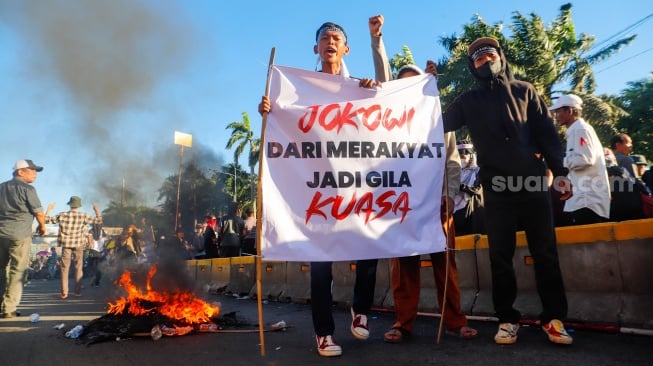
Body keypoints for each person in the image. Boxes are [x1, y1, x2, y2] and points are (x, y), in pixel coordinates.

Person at [442, 36, 574, 345]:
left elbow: (548, 135)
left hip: (533, 184)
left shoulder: (525, 91)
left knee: (545, 252)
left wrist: (562, 173)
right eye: (477, 58)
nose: (484, 60)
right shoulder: (467, 102)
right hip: (497, 189)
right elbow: (436, 121)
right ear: (472, 68)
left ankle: (554, 319)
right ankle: (506, 319)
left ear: (500, 57)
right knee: (500, 256)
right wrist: (423, 90)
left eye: (489, 54)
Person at [258, 20, 378, 357]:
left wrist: (374, 93)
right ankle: (324, 333)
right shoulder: (296, 92)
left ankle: (362, 309)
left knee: (370, 244)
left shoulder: (358, 87)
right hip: (317, 189)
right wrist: (268, 111)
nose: (330, 42)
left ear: (346, 49)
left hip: (354, 185)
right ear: (316, 48)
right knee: (320, 263)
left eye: (336, 38)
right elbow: (284, 126)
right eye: (324, 38)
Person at [366, 15, 478, 343]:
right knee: (404, 268)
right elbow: (383, 81)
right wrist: (377, 41)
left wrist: (448, 195)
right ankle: (403, 323)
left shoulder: (438, 123)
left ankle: (456, 320)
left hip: (437, 204)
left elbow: (453, 163)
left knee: (446, 265)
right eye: (402, 84)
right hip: (401, 206)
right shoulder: (387, 124)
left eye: (414, 84)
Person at [549, 93, 611, 225]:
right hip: (584, 198)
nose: (556, 116)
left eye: (558, 112)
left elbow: (585, 159)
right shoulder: (577, 130)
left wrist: (563, 162)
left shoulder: (580, 130)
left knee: (591, 242)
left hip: (587, 199)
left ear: (569, 111)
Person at [0, 160, 47, 318]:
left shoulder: (1, 187)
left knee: (1, 270)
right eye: (32, 170)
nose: (35, 174)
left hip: (1, 234)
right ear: (20, 172)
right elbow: (39, 212)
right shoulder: (28, 188)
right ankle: (8, 309)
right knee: (17, 271)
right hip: (19, 236)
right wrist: (42, 227)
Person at [45, 195, 102, 299]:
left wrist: (49, 209)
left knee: (64, 268)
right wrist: (96, 210)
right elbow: (98, 221)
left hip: (66, 245)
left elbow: (46, 220)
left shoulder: (62, 215)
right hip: (79, 244)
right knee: (78, 268)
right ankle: (77, 292)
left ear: (70, 205)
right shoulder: (83, 215)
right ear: (78, 205)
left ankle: (64, 293)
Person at [453, 141, 485, 235]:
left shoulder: (478, 170)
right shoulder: (453, 171)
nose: (460, 160)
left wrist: (460, 186)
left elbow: (477, 189)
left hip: (472, 208)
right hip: (456, 210)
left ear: (471, 156)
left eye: (463, 157)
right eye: (458, 157)